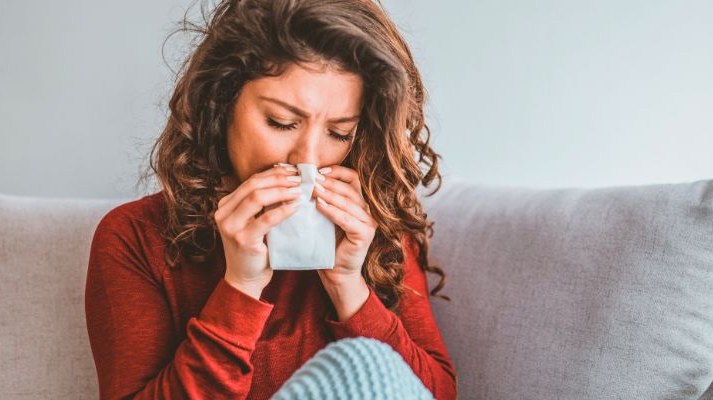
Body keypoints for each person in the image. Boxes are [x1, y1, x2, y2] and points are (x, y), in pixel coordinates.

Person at [84, 0, 457, 398]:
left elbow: (433, 394)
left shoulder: (371, 230)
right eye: (281, 122)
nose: (308, 159)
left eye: (339, 133)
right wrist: (240, 288)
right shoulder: (134, 238)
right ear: (221, 103)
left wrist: (348, 285)